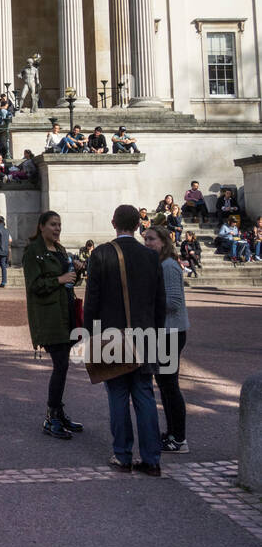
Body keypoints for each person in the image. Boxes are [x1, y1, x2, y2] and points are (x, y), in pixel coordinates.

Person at [83, 204, 166, 476]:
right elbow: (160, 303)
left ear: (113, 223)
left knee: (117, 395)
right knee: (144, 395)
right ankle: (152, 458)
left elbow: (92, 300)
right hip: (146, 333)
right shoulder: (151, 256)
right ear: (138, 225)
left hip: (111, 334)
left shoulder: (102, 253)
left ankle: (123, 455)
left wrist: (89, 334)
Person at [22, 211, 85, 440]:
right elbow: (34, 285)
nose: (57, 229)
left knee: (63, 365)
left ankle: (58, 411)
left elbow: (68, 282)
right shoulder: (33, 252)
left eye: (59, 225)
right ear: (41, 227)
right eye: (52, 224)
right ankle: (51, 416)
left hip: (65, 311)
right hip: (49, 316)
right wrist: (59, 279)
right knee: (61, 365)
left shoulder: (59, 250)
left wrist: (75, 273)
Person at [143, 224, 189, 454]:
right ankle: (172, 433)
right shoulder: (160, 264)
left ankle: (179, 437)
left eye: (152, 239)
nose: (148, 243)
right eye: (146, 239)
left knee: (170, 386)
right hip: (165, 332)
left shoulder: (169, 266)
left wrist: (147, 300)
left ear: (163, 241)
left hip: (171, 332)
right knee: (164, 384)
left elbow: (172, 303)